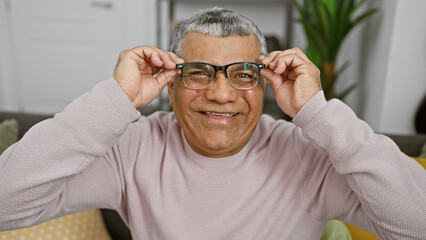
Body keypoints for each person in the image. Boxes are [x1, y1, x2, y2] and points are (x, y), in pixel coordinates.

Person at [0, 7, 425, 240]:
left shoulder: (309, 157)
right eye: (200, 72)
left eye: (242, 74)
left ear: (264, 85)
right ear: (170, 84)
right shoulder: (130, 149)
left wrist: (319, 110)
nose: (222, 94)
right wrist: (117, 99)